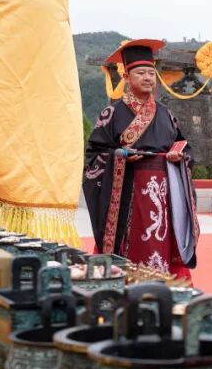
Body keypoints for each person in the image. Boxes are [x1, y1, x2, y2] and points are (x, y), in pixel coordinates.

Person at [83, 39, 198, 279]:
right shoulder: (112, 113)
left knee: (162, 240)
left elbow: (184, 147)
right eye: (141, 73)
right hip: (129, 192)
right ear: (126, 76)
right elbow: (94, 155)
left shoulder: (166, 114)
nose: (148, 78)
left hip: (164, 194)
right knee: (133, 242)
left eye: (151, 73)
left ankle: (165, 286)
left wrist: (178, 156)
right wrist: (120, 158)